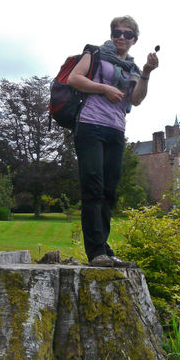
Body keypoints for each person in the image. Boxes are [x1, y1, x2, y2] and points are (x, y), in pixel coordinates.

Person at [68, 16, 159, 267]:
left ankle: (104, 250)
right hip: (90, 125)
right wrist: (104, 89)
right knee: (93, 187)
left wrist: (147, 73)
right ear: (111, 35)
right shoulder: (95, 53)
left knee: (109, 191)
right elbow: (74, 79)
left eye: (127, 34)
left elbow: (137, 99)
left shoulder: (132, 68)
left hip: (116, 130)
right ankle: (95, 251)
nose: (121, 36)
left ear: (134, 40)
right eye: (117, 32)